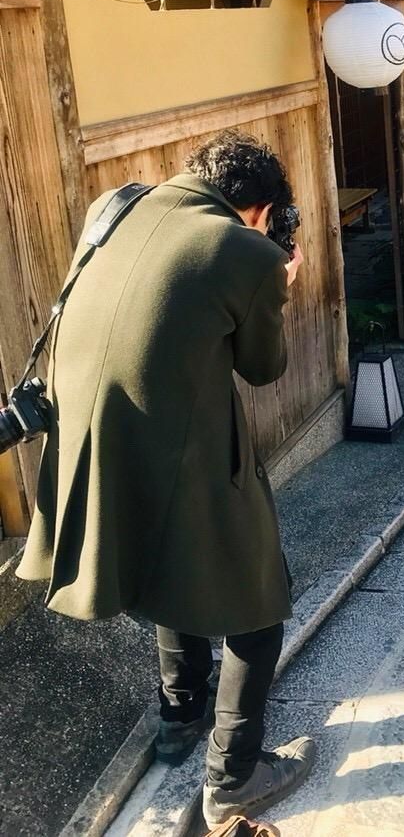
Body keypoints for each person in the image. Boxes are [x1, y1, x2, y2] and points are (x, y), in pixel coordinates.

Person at [16, 131, 316, 829]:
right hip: (180, 445)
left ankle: (180, 717)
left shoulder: (116, 206)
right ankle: (234, 776)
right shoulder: (246, 252)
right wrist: (281, 281)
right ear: (261, 210)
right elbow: (263, 367)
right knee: (258, 603)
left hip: (89, 446)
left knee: (175, 566)